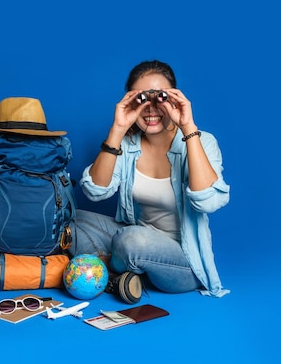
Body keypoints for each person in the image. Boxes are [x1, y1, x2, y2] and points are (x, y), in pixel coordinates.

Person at [69, 60, 231, 303]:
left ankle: (111, 266)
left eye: (161, 98)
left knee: (132, 240)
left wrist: (188, 128)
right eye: (142, 99)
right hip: (135, 235)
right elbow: (95, 191)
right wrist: (118, 128)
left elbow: (208, 202)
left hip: (182, 261)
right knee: (70, 217)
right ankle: (125, 274)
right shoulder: (128, 144)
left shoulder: (201, 141)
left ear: (175, 100)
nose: (151, 108)